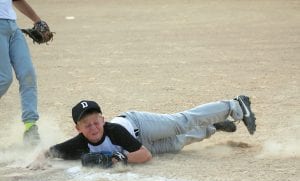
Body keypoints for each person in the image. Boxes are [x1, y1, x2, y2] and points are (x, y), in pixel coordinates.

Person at [27, 95, 256, 169]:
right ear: (78, 129)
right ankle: (212, 126)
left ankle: (234, 105)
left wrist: (113, 158)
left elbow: (144, 156)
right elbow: (48, 153)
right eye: (86, 125)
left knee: (179, 123)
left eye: (96, 122)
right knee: (177, 143)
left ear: (103, 120)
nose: (93, 127)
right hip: (138, 145)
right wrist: (29, 168)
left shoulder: (113, 130)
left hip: (138, 126)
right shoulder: (77, 144)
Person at [0, 0, 50, 145]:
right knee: (4, 78)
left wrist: (38, 21)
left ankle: (30, 127)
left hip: (12, 27)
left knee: (28, 75)